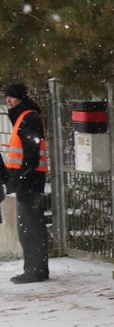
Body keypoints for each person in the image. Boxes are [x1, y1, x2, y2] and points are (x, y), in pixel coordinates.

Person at [4, 82, 50, 283]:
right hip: (28, 179)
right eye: (6, 97)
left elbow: (31, 152)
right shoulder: (24, 116)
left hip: (29, 180)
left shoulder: (27, 118)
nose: (8, 100)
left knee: (29, 227)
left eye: (12, 97)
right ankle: (36, 269)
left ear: (20, 98)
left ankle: (34, 270)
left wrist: (24, 176)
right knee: (31, 226)